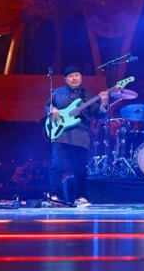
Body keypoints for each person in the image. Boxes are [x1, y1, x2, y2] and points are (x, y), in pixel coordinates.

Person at [45, 66, 108, 206]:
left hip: (80, 137)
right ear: (65, 79)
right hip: (60, 135)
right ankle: (55, 195)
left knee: (80, 168)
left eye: (77, 75)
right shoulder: (57, 93)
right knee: (57, 166)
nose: (74, 78)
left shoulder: (89, 95)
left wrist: (104, 104)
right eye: (71, 76)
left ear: (81, 77)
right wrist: (53, 109)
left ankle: (80, 196)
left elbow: (99, 114)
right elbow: (47, 107)